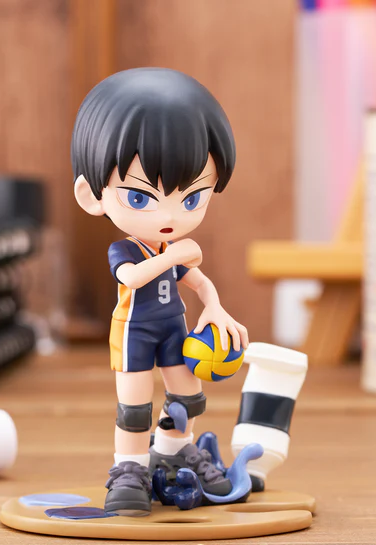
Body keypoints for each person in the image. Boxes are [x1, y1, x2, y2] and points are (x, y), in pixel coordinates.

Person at [71, 68, 249, 515]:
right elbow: (132, 278)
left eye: (191, 198)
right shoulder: (128, 249)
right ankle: (129, 468)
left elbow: (199, 281)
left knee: (188, 398)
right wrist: (174, 257)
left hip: (174, 330)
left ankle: (174, 450)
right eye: (140, 197)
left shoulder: (171, 249)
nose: (169, 216)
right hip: (133, 333)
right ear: (92, 196)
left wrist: (215, 307)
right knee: (134, 408)